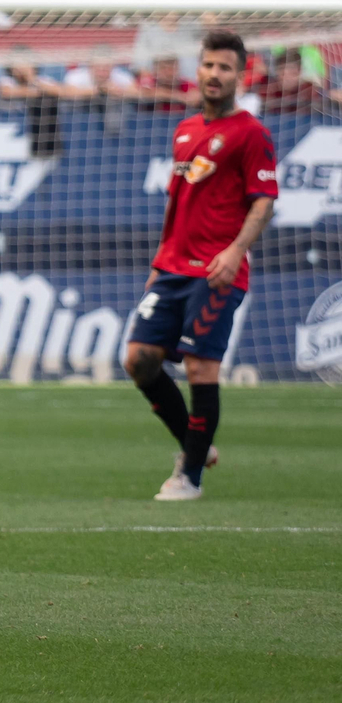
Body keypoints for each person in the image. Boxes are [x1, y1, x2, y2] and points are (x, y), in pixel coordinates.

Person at [125, 32, 275, 501]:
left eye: (225, 67)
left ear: (239, 76)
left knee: (201, 368)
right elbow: (178, 202)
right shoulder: (185, 129)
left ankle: (189, 477)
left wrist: (235, 252)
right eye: (209, 65)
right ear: (199, 69)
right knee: (138, 359)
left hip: (216, 271)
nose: (214, 74)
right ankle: (197, 446)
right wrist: (159, 259)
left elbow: (264, 202)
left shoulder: (251, 133)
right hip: (172, 268)